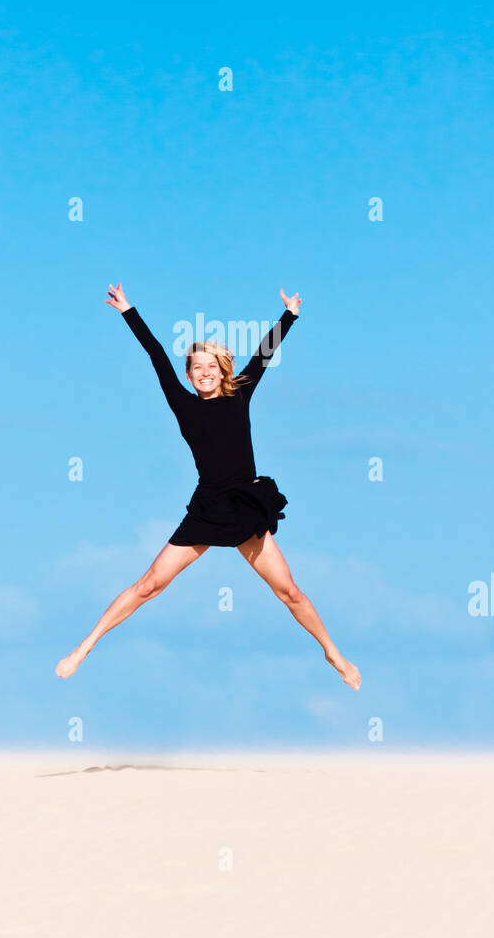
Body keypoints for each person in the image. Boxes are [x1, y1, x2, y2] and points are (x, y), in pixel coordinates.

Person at [55, 282, 361, 689]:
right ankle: (85, 647)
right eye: (196, 368)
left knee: (289, 592)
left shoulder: (241, 394)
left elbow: (263, 354)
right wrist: (129, 311)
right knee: (150, 584)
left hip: (246, 504)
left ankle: (332, 653)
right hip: (208, 506)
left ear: (223, 370)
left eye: (211, 367)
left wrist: (290, 315)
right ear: (189, 374)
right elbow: (156, 354)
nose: (204, 373)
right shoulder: (182, 404)